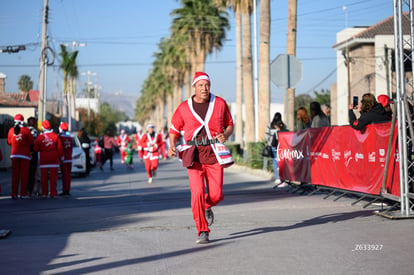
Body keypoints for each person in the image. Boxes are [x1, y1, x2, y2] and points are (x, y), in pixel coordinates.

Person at [168, 72, 234, 244]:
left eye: (207, 85)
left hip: (214, 155)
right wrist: (172, 144)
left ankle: (207, 206)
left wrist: (225, 135)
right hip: (194, 156)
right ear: (194, 87)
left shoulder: (219, 103)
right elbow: (174, 129)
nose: (204, 89)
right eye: (201, 85)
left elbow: (230, 124)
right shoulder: (184, 108)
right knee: (197, 193)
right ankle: (202, 230)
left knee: (216, 195)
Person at [33, 120, 63, 199]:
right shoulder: (55, 136)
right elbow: (60, 148)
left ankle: (44, 193)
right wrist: (61, 157)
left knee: (44, 178)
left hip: (44, 159)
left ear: (43, 128)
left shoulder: (40, 137)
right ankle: (53, 193)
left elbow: (36, 149)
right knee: (53, 178)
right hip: (54, 159)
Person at [7, 114, 34, 199]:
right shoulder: (26, 130)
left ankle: (14, 194)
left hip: (14, 154)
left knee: (15, 175)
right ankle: (23, 193)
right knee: (24, 175)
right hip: (25, 155)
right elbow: (31, 141)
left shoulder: (11, 130)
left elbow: (9, 142)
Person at [265, 113, 288, 187]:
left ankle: (278, 177)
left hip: (273, 145)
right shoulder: (282, 125)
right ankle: (283, 177)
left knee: (275, 161)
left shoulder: (270, 125)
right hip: (282, 145)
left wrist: (268, 143)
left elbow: (266, 135)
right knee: (282, 161)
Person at [58, 122, 73, 196]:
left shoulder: (60, 137)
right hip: (69, 158)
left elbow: (60, 148)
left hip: (64, 158)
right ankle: (68, 189)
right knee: (69, 175)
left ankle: (65, 190)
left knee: (64, 175)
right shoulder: (70, 137)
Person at [27, 116, 39, 196]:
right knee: (32, 173)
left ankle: (26, 190)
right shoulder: (34, 131)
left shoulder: (25, 130)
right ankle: (31, 190)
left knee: (26, 173)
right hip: (33, 153)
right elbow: (34, 143)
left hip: (26, 153)